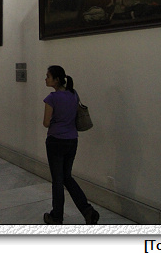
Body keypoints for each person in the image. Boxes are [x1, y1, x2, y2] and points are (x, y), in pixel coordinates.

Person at [42, 65, 99, 225]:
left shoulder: (51, 98)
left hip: (56, 141)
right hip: (72, 140)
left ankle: (56, 216)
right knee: (67, 177)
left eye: (48, 76)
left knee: (57, 181)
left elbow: (46, 123)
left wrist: (55, 120)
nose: (45, 79)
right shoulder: (74, 94)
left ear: (56, 79)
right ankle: (88, 211)